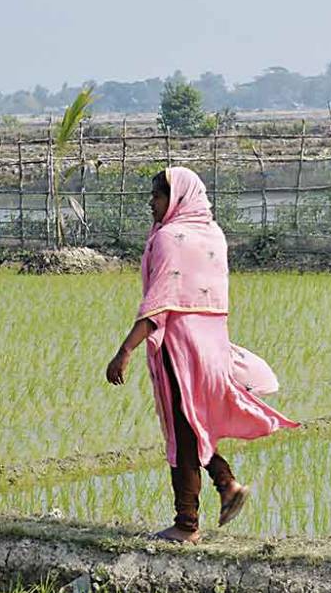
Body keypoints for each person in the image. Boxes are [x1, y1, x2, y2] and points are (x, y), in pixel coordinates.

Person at [105, 166, 298, 544]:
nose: (151, 203)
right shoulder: (212, 234)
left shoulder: (169, 239)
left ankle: (186, 525)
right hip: (211, 349)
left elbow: (159, 303)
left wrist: (124, 351)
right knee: (194, 426)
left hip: (180, 352)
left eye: (157, 197)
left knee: (181, 434)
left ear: (175, 199)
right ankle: (227, 486)